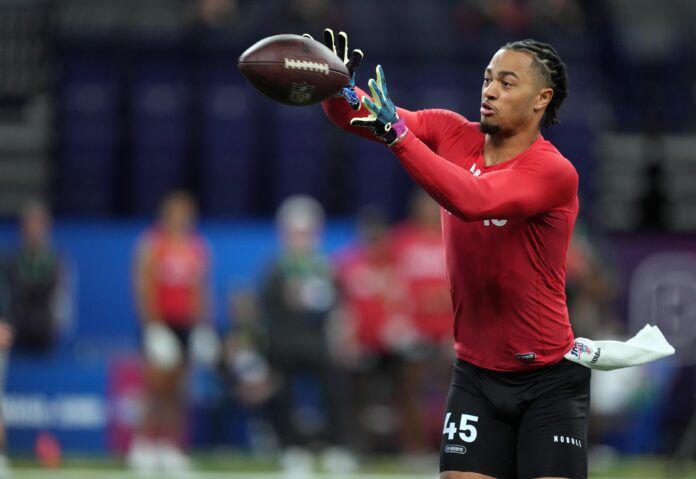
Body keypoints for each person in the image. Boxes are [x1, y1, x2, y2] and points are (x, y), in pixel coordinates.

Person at [315, 28, 587, 479]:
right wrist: (334, 88)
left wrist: (400, 137)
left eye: (506, 82)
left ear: (542, 98)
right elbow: (361, 116)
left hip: (548, 379)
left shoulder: (553, 171)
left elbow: (474, 200)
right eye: (486, 79)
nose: (490, 91)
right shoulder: (449, 131)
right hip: (476, 374)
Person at [260, 195, 355, 475]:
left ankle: (335, 446)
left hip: (318, 340)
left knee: (334, 389)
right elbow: (271, 304)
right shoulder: (277, 267)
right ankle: (291, 448)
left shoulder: (325, 265)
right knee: (285, 392)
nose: (302, 238)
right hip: (286, 340)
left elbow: (337, 304)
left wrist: (341, 334)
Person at [130, 191, 211, 474]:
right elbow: (144, 286)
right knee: (156, 387)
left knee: (179, 389)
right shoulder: (153, 244)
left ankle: (170, 446)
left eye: (186, 212)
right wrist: (152, 327)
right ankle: (143, 444)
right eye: (176, 211)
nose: (182, 217)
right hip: (160, 324)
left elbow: (200, 289)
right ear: (166, 214)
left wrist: (203, 326)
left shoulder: (196, 246)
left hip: (185, 324)